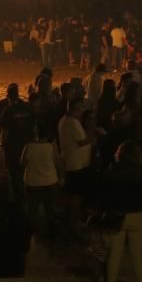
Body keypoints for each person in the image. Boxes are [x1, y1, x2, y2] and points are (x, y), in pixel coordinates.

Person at [99, 141, 142, 282]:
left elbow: (104, 197)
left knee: (115, 254)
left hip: (117, 215)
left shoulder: (111, 172)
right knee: (137, 255)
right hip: (137, 216)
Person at [0, 84, 33, 203]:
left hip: (10, 141)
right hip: (23, 141)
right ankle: (24, 191)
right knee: (22, 167)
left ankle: (18, 194)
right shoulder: (23, 105)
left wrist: (5, 124)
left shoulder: (6, 106)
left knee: (13, 169)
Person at [21, 132, 62, 243]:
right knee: (50, 209)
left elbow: (23, 161)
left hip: (32, 182)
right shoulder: (50, 147)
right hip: (49, 181)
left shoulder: (28, 146)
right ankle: (51, 234)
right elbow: (58, 163)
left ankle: (34, 235)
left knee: (33, 210)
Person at [59, 97, 91, 236]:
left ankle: (69, 222)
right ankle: (73, 225)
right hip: (76, 164)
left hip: (70, 161)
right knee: (76, 196)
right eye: (82, 108)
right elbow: (82, 141)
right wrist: (94, 133)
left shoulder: (63, 120)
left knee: (71, 194)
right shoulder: (73, 123)